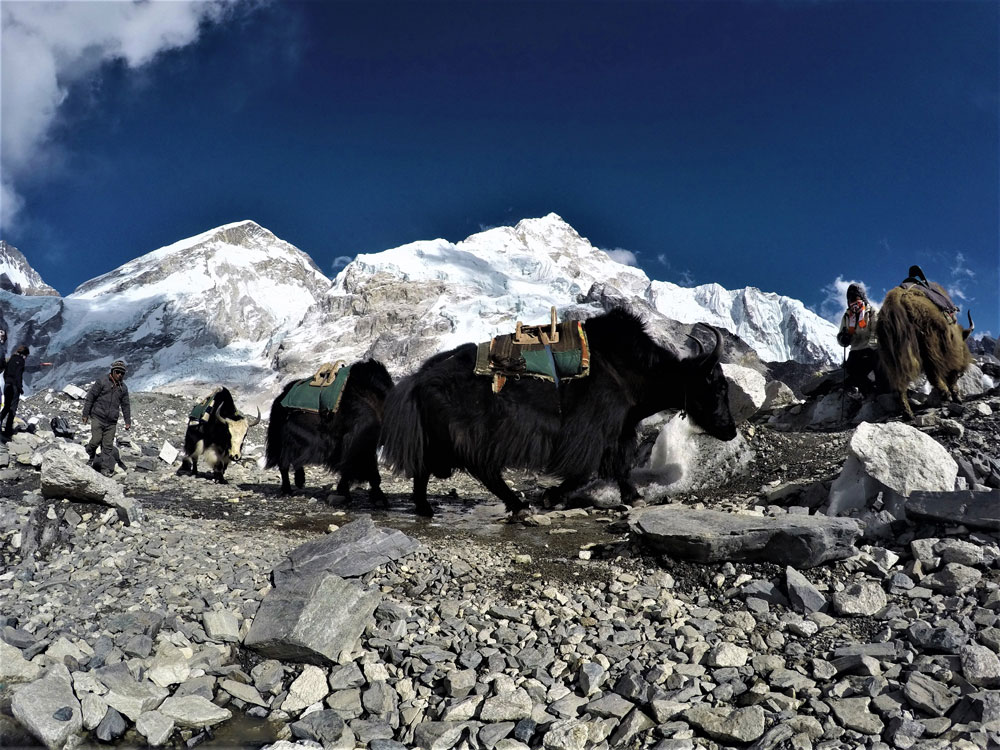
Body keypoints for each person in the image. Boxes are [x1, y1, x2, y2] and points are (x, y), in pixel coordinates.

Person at [82, 359, 132, 476]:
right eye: (118, 372)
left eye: (122, 373)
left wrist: (127, 421)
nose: (120, 375)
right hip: (98, 417)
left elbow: (125, 405)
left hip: (111, 422)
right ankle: (89, 455)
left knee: (107, 446)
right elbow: (91, 397)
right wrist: (85, 414)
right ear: (112, 371)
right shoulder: (102, 382)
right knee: (95, 441)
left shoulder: (123, 388)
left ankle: (104, 469)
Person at [836, 284, 882, 396]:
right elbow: (841, 334)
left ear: (862, 298)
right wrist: (843, 339)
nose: (854, 302)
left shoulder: (871, 312)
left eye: (856, 298)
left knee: (879, 369)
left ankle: (881, 390)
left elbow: (876, 332)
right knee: (852, 371)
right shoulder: (847, 316)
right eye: (851, 299)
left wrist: (870, 348)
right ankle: (869, 392)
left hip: (872, 349)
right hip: (856, 350)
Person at [0, 345, 27, 439]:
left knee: (6, 407)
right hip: (15, 386)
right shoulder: (21, 361)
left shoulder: (11, 359)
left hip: (7, 385)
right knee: (13, 408)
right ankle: (8, 430)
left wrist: (7, 381)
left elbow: (5, 373)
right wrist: (20, 387)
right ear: (24, 354)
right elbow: (18, 374)